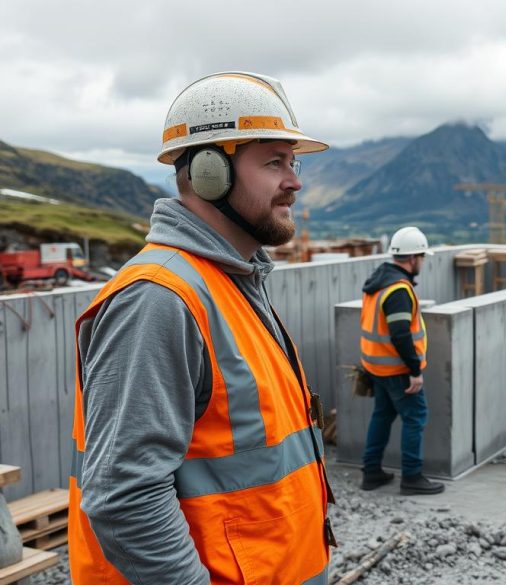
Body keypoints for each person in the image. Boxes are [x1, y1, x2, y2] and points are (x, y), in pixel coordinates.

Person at [68, 72, 336, 585]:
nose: (295, 181)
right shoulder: (159, 300)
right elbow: (124, 494)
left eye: (293, 161)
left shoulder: (232, 283)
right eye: (274, 161)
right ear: (209, 171)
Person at [359, 227, 445, 495]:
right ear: (413, 257)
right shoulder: (398, 289)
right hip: (396, 369)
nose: (423, 262)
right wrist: (415, 370)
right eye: (422, 256)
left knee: (382, 415)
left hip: (376, 366)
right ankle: (412, 477)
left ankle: (371, 472)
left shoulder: (380, 281)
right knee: (415, 417)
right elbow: (400, 334)